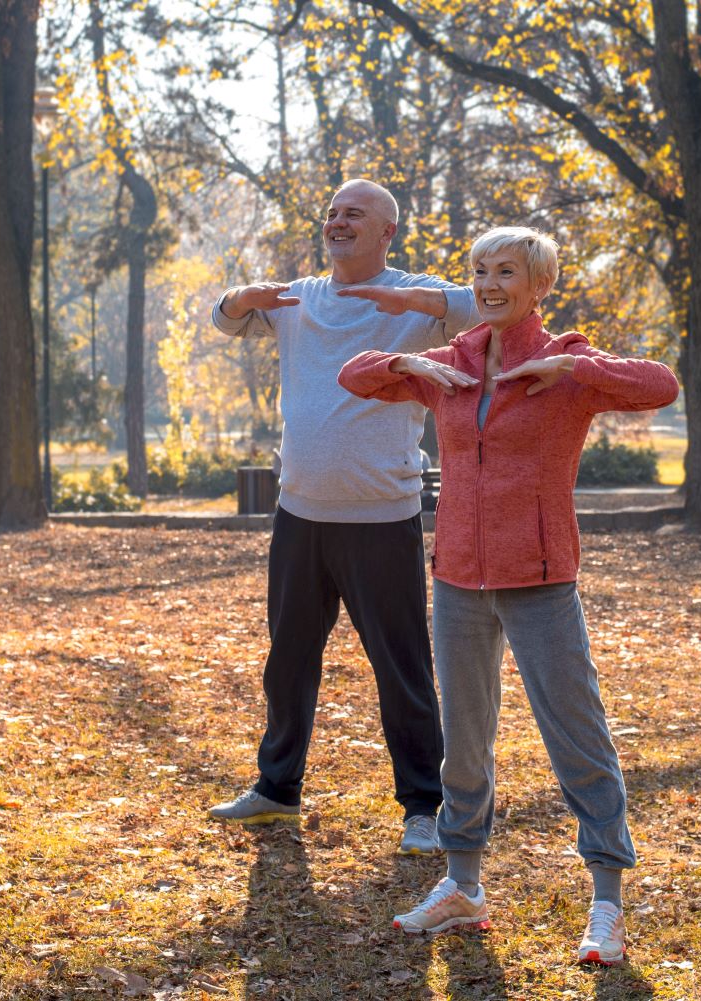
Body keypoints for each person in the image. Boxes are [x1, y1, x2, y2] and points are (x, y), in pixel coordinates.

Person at [337, 226, 679, 964]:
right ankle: (462, 886)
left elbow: (660, 385)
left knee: (577, 738)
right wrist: (402, 358)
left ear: (538, 285)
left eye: (506, 272)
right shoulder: (449, 364)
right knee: (463, 743)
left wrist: (575, 367)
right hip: (457, 579)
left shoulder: (569, 365)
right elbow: (355, 376)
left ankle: (607, 902)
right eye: (480, 271)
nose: (490, 283)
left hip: (542, 580)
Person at [206, 179, 479, 855]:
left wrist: (414, 301)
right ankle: (276, 787)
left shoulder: (419, 298)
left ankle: (423, 806)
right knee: (288, 659)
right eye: (331, 213)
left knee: (403, 668)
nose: (337, 221)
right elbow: (224, 318)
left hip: (382, 519)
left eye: (353, 213)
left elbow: (488, 307)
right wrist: (241, 298)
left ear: (387, 230)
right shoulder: (299, 297)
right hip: (300, 514)